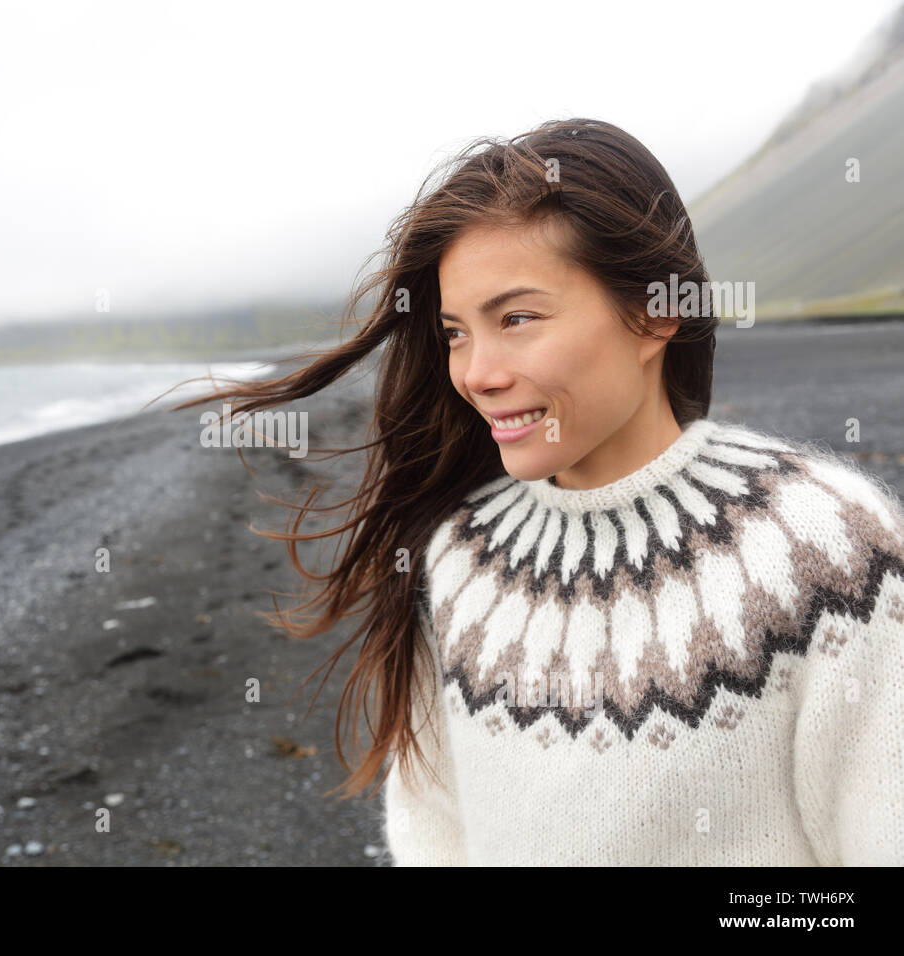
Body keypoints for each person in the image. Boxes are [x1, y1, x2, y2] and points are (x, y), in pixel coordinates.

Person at [168, 117, 904, 865]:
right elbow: (434, 835)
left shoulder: (830, 551)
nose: (475, 373)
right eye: (456, 332)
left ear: (655, 313)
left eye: (516, 318)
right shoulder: (458, 554)